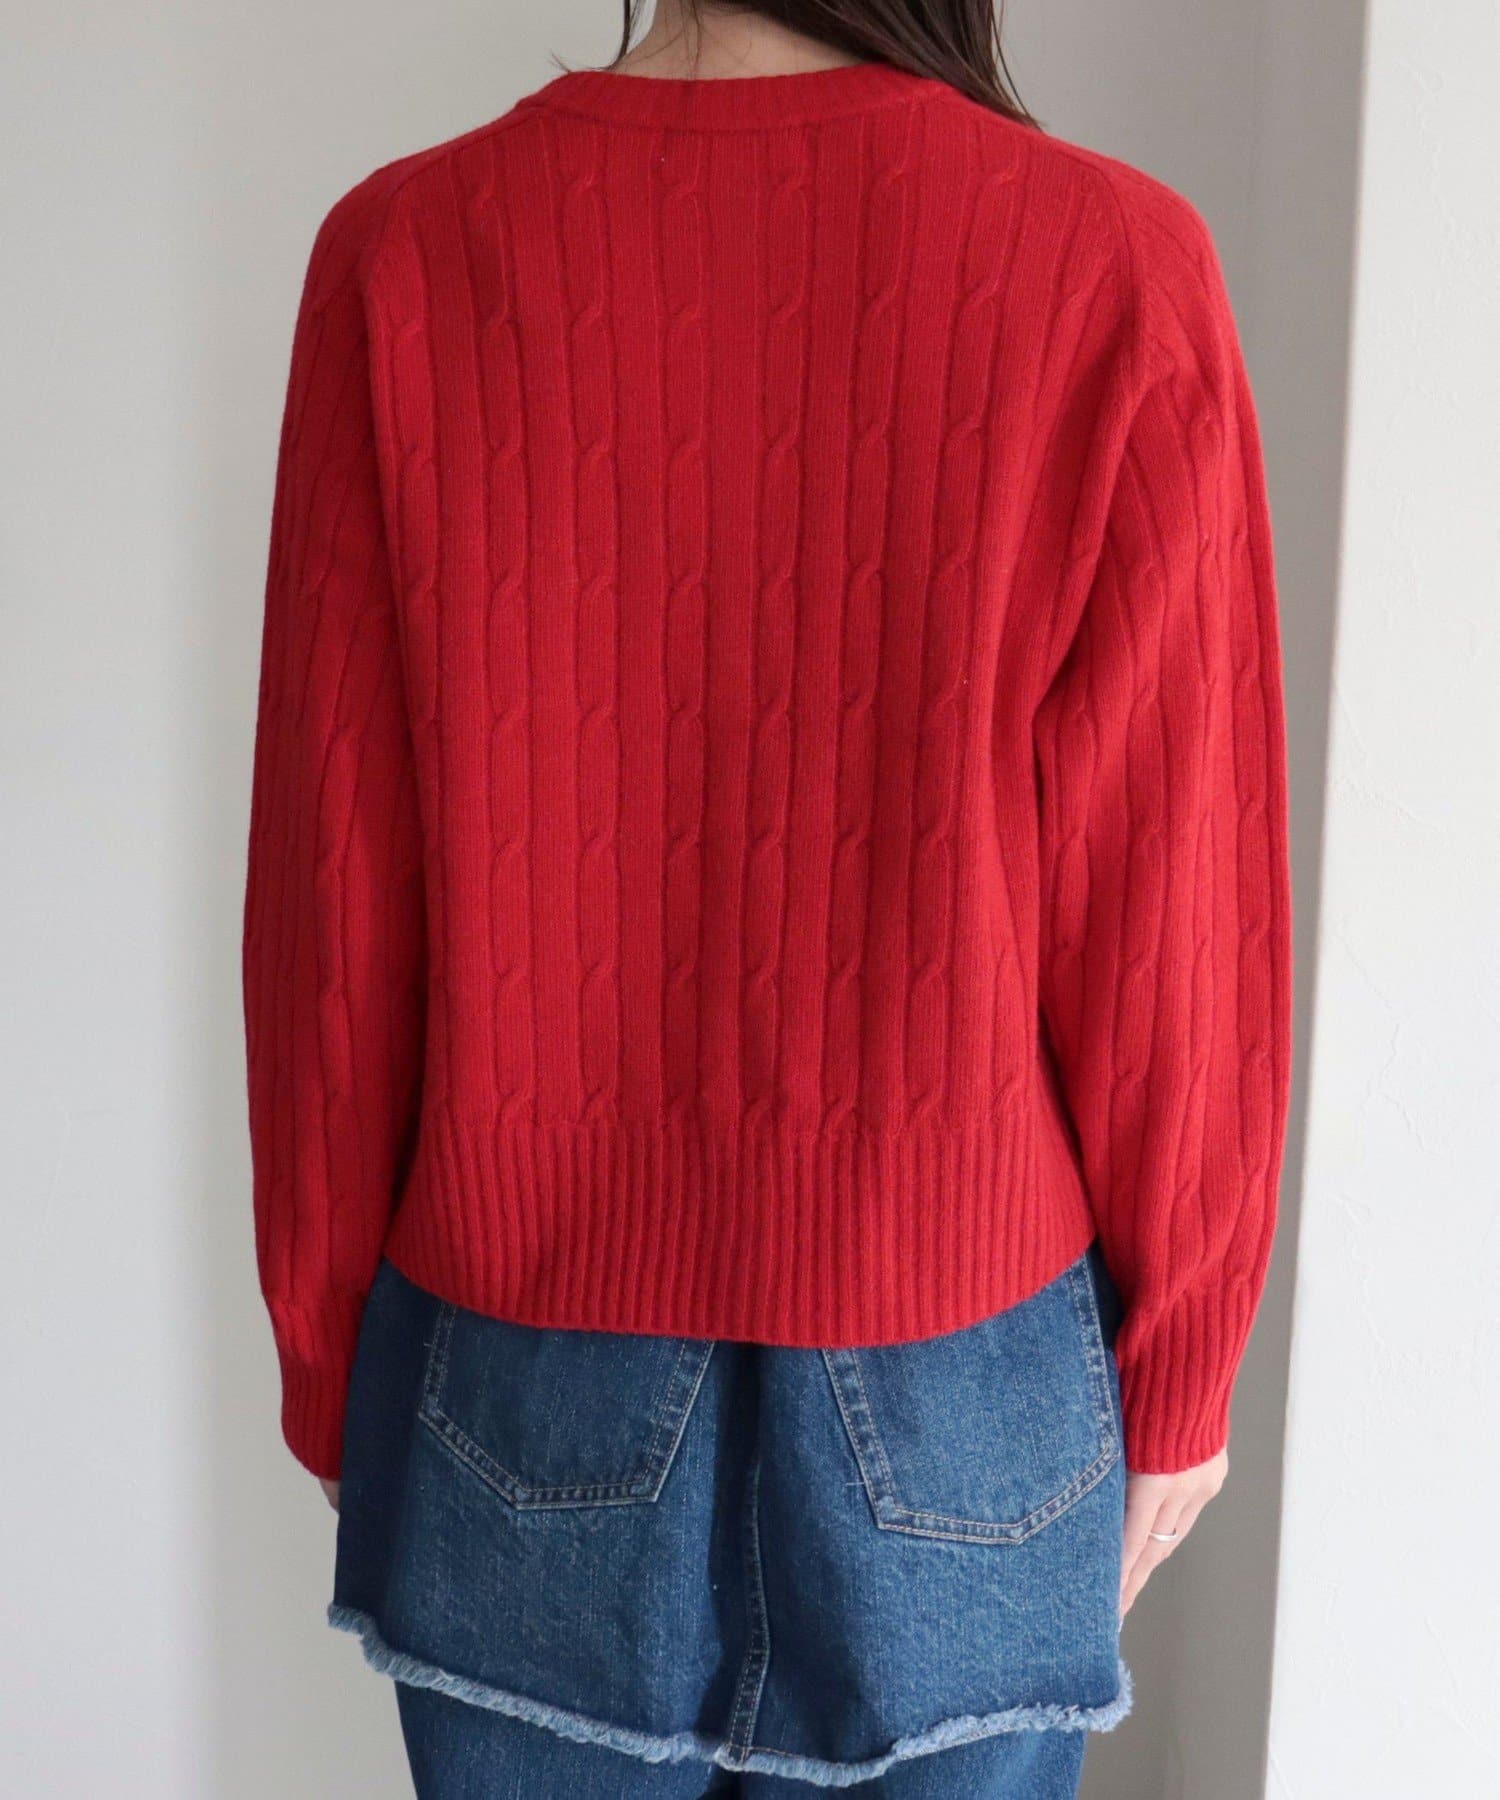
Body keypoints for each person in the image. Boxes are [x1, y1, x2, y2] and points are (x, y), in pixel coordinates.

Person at [242, 2, 1293, 1793]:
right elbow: (1171, 904)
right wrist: (1184, 1361)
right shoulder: (1114, 262)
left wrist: (331, 1349)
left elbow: (335, 899)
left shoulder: (405, 253)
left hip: (520, 1354)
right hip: (964, 1367)